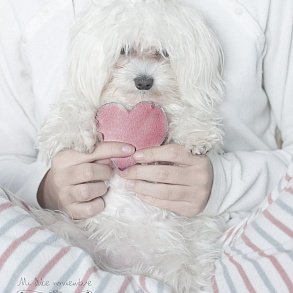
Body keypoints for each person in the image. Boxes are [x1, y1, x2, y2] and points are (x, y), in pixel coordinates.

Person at [0, 0, 292, 291]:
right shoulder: (22, 9)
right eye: (125, 53)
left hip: (231, 238)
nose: (142, 73)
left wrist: (224, 182)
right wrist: (45, 188)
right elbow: (6, 164)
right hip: (63, 244)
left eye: (160, 55)